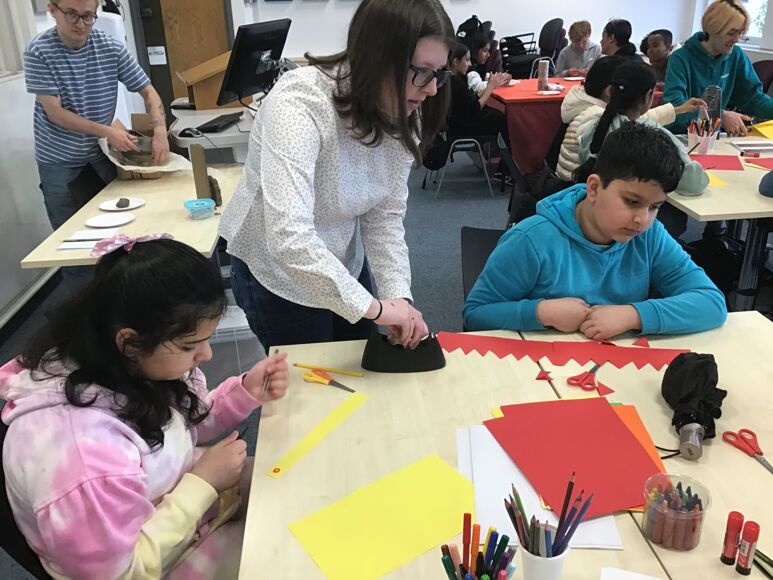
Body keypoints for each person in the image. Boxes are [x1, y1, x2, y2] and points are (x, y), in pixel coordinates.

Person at [0, 236, 290, 579]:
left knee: (284, 484)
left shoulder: (125, 364)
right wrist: (202, 484)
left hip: (176, 501)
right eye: (190, 345)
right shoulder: (83, 458)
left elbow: (181, 426)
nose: (207, 355)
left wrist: (244, 391)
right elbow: (121, 573)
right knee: (281, 551)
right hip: (144, 562)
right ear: (130, 342)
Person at [219, 0, 453, 350]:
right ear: (378, 58)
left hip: (341, 261)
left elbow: (384, 216)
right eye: (422, 71)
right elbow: (289, 238)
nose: (432, 89)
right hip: (278, 273)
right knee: (308, 379)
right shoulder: (299, 104)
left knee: (355, 367)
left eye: (439, 73)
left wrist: (397, 297)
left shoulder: (405, 107)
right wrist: (375, 309)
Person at [464, 123, 727, 338]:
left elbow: (711, 302)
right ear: (593, 189)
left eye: (654, 207)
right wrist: (541, 312)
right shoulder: (531, 240)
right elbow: (475, 315)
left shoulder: (650, 236)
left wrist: (633, 315)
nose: (641, 219)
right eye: (631, 201)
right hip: (540, 370)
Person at [24, 0, 169, 289]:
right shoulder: (38, 51)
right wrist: (107, 131)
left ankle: (119, 302)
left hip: (101, 154)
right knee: (74, 246)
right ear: (52, 10)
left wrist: (160, 129)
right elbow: (56, 114)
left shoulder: (109, 46)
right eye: (72, 15)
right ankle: (84, 312)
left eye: (88, 16)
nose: (81, 24)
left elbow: (148, 91)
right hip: (60, 160)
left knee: (120, 233)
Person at [556, 57, 705, 182]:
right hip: (574, 188)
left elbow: (638, 118)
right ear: (610, 91)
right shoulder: (593, 117)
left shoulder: (593, 108)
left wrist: (679, 109)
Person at [663, 0, 773, 135]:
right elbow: (676, 109)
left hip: (713, 136)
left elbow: (752, 98)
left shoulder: (736, 55)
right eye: (731, 33)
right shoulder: (680, 59)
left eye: (739, 33)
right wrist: (720, 116)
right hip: (680, 135)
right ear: (712, 28)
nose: (736, 39)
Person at [448, 42, 509, 139]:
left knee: (496, 114)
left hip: (462, 120)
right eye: (467, 60)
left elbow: (472, 99)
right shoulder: (455, 83)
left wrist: (491, 85)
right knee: (498, 117)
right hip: (462, 126)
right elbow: (475, 107)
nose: (469, 64)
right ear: (456, 61)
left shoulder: (456, 78)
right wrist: (490, 87)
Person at [463, 31, 510, 95]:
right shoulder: (469, 68)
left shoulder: (478, 65)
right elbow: (478, 88)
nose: (488, 55)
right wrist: (494, 83)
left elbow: (483, 76)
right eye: (485, 51)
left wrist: (499, 77)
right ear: (474, 50)